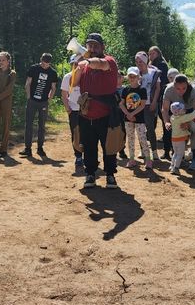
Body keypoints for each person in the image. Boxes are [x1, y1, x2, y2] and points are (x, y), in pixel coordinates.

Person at [76, 33, 121, 189]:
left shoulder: (109, 61)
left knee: (109, 146)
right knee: (88, 146)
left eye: (95, 46)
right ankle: (90, 173)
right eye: (89, 45)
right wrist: (79, 66)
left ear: (102, 47)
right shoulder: (83, 65)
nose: (92, 48)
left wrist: (87, 61)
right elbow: (74, 83)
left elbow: (100, 64)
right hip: (86, 113)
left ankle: (110, 174)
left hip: (106, 114)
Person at [21, 53, 59, 158]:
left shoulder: (52, 73)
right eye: (43, 62)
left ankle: (40, 148)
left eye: (46, 63)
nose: (44, 64)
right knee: (29, 124)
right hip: (32, 101)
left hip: (43, 102)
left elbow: (53, 88)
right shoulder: (34, 68)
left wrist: (49, 100)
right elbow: (28, 83)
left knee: (42, 125)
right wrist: (28, 97)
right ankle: (27, 149)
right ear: (41, 59)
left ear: (50, 62)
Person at [162, 74, 195, 170]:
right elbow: (165, 108)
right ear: (174, 85)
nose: (181, 91)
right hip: (177, 112)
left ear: (187, 85)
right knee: (177, 132)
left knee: (193, 132)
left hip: (192, 111)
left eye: (184, 88)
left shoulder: (193, 90)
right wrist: (166, 122)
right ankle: (179, 158)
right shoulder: (169, 89)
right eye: (178, 88)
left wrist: (188, 123)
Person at [120, 67, 152, 169]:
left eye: (134, 76)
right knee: (130, 139)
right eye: (130, 76)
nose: (132, 78)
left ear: (138, 77)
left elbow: (142, 105)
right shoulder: (126, 89)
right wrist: (128, 114)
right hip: (128, 119)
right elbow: (121, 104)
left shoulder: (142, 89)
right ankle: (132, 159)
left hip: (139, 119)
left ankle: (148, 159)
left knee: (142, 138)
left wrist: (132, 114)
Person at [135, 51, 161, 161]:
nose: (139, 64)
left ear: (145, 61)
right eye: (137, 62)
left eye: (141, 61)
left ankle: (154, 152)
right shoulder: (136, 73)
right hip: (138, 105)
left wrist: (154, 102)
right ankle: (142, 150)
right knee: (140, 129)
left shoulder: (154, 73)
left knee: (150, 128)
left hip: (149, 104)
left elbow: (158, 88)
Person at [61, 54, 83, 168]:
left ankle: (88, 155)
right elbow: (64, 94)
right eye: (73, 64)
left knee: (87, 134)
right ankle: (78, 156)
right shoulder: (67, 77)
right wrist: (67, 108)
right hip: (73, 110)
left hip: (85, 110)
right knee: (76, 134)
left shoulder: (85, 76)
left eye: (77, 64)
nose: (75, 66)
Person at [149, 46, 171, 159]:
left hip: (161, 95)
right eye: (149, 54)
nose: (151, 55)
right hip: (153, 95)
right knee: (153, 119)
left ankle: (167, 147)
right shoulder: (151, 64)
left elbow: (161, 80)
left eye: (153, 53)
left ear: (158, 53)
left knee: (163, 118)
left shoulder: (162, 64)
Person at [168, 102, 195, 174]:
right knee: (180, 154)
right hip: (180, 139)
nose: (185, 110)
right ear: (179, 111)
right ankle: (176, 168)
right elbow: (192, 116)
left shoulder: (172, 117)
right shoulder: (181, 118)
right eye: (183, 109)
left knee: (175, 153)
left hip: (174, 139)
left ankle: (172, 165)